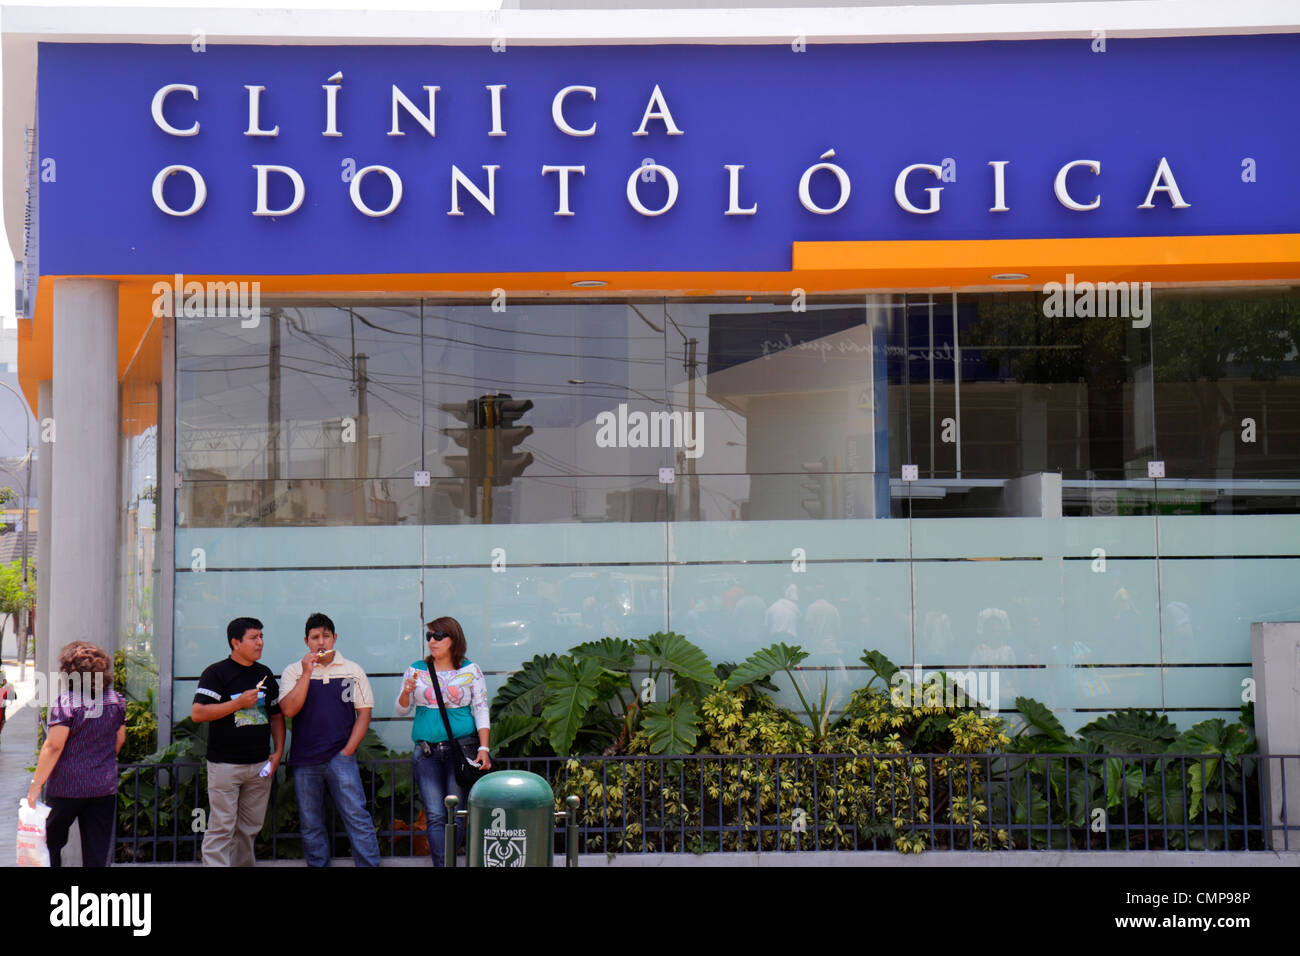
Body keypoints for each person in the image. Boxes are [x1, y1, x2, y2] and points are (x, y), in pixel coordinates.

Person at [278, 611, 381, 867]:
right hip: (305, 760)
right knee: (311, 824)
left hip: (340, 758)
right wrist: (306, 672)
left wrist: (348, 751)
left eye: (326, 636)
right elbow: (289, 710)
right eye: (315, 637)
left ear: (335, 638)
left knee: (357, 818)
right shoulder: (293, 671)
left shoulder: (352, 670)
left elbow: (364, 713)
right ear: (306, 642)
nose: (321, 642)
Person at [395, 616, 490, 867]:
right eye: (429, 636)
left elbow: (481, 709)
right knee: (435, 815)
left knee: (456, 813)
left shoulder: (470, 670)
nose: (432, 641)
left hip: (461, 748)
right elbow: (401, 710)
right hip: (427, 751)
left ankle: (447, 862)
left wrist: (484, 748)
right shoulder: (417, 669)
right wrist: (406, 691)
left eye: (438, 636)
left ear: (453, 639)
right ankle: (443, 865)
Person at [192, 616, 284, 867]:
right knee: (221, 827)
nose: (260, 643)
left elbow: (276, 716)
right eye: (254, 638)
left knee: (249, 828)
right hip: (225, 765)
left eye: (262, 637)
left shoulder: (264, 673)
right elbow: (198, 713)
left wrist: (278, 753)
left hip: (260, 765)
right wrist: (238, 704)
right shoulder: (216, 673)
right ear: (235, 642)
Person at [25, 642, 127, 867]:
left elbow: (53, 746)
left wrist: (36, 785)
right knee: (97, 853)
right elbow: (119, 740)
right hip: (103, 788)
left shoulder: (67, 702)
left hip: (66, 788)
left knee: (49, 844)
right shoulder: (116, 700)